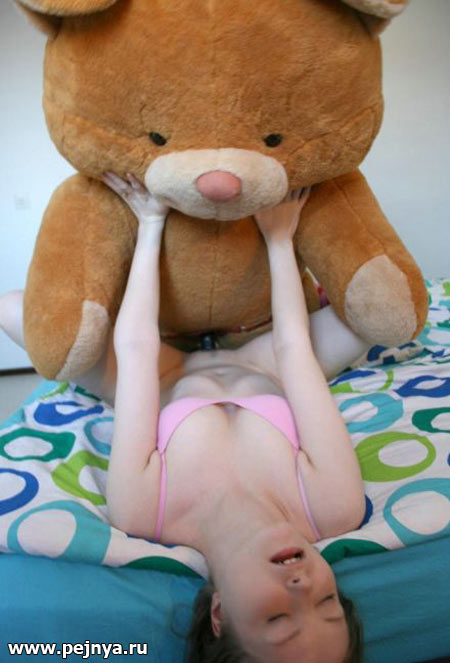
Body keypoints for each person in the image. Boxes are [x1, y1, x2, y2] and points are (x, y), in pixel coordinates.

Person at [0, 175, 369, 663]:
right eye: (328, 604)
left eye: (278, 619)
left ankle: (176, 316)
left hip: (163, 368)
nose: (304, 586)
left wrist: (150, 223)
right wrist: (279, 240)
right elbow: (294, 348)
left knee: (12, 310)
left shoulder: (142, 514)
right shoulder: (335, 507)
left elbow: (136, 350)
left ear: (219, 615)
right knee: (375, 314)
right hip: (266, 359)